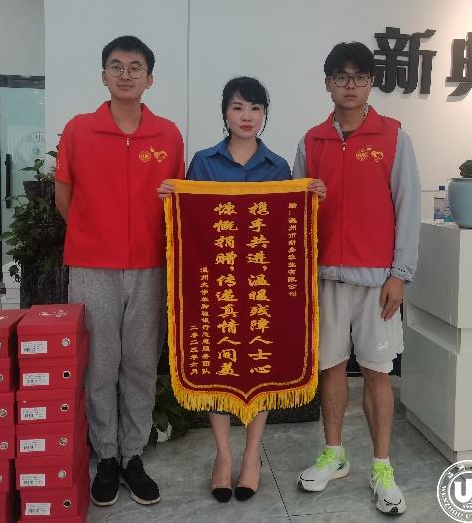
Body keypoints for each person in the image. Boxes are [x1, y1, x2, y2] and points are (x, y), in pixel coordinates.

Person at [159, 76, 325, 503]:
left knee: (261, 364)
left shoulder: (278, 168)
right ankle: (223, 456)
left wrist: (310, 196)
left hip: (262, 286)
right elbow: (191, 222)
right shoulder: (203, 163)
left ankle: (252, 454)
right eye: (237, 108)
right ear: (225, 114)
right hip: (217, 286)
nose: (246, 116)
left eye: (255, 108)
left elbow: (286, 228)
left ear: (265, 114)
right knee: (221, 364)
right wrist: (172, 198)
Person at [54, 35, 185, 508]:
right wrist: (95, 236)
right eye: (117, 66)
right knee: (100, 364)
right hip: (94, 268)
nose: (126, 74)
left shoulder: (167, 135)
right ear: (104, 75)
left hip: (150, 266)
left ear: (150, 79)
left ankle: (133, 456)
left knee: (141, 364)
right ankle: (106, 456)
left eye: (135, 67)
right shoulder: (79, 130)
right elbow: (64, 198)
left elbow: (179, 201)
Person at [293, 41, 421, 516]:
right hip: (324, 276)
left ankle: (382, 466)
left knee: (377, 372)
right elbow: (294, 213)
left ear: (371, 83)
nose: (350, 85)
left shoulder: (394, 137)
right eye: (341, 77)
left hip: (376, 280)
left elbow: (408, 207)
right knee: (330, 368)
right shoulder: (311, 142)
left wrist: (400, 274)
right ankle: (334, 454)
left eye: (359, 77)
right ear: (327, 83)